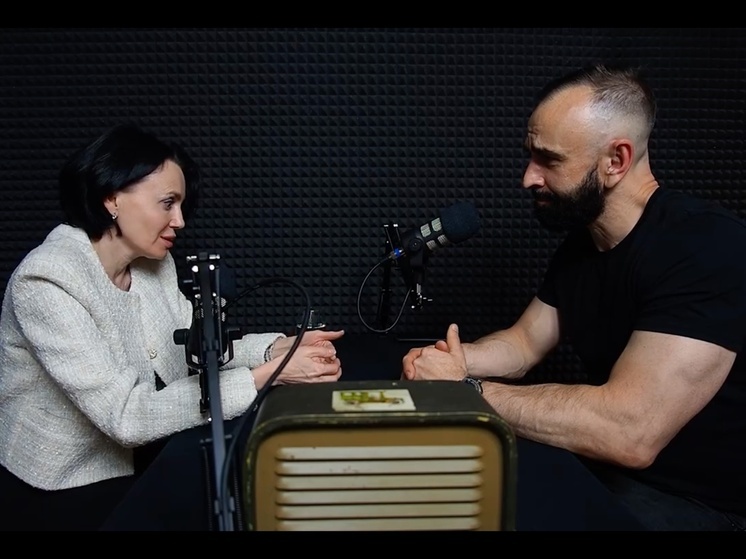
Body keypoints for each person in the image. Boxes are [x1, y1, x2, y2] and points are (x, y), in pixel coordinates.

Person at [402, 64, 746, 531]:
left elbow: (630, 432)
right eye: (530, 156)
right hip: (612, 477)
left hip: (703, 504)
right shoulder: (582, 246)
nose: (528, 177)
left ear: (616, 161)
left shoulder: (707, 246)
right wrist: (452, 360)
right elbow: (524, 344)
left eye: (549, 160)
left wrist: (464, 391)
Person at [0, 123, 344, 530]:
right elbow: (125, 417)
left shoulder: (154, 265)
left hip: (143, 458)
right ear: (111, 198)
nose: (179, 220)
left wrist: (277, 349)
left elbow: (193, 351)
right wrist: (270, 375)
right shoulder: (46, 280)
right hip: (64, 486)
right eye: (167, 203)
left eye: (180, 205)